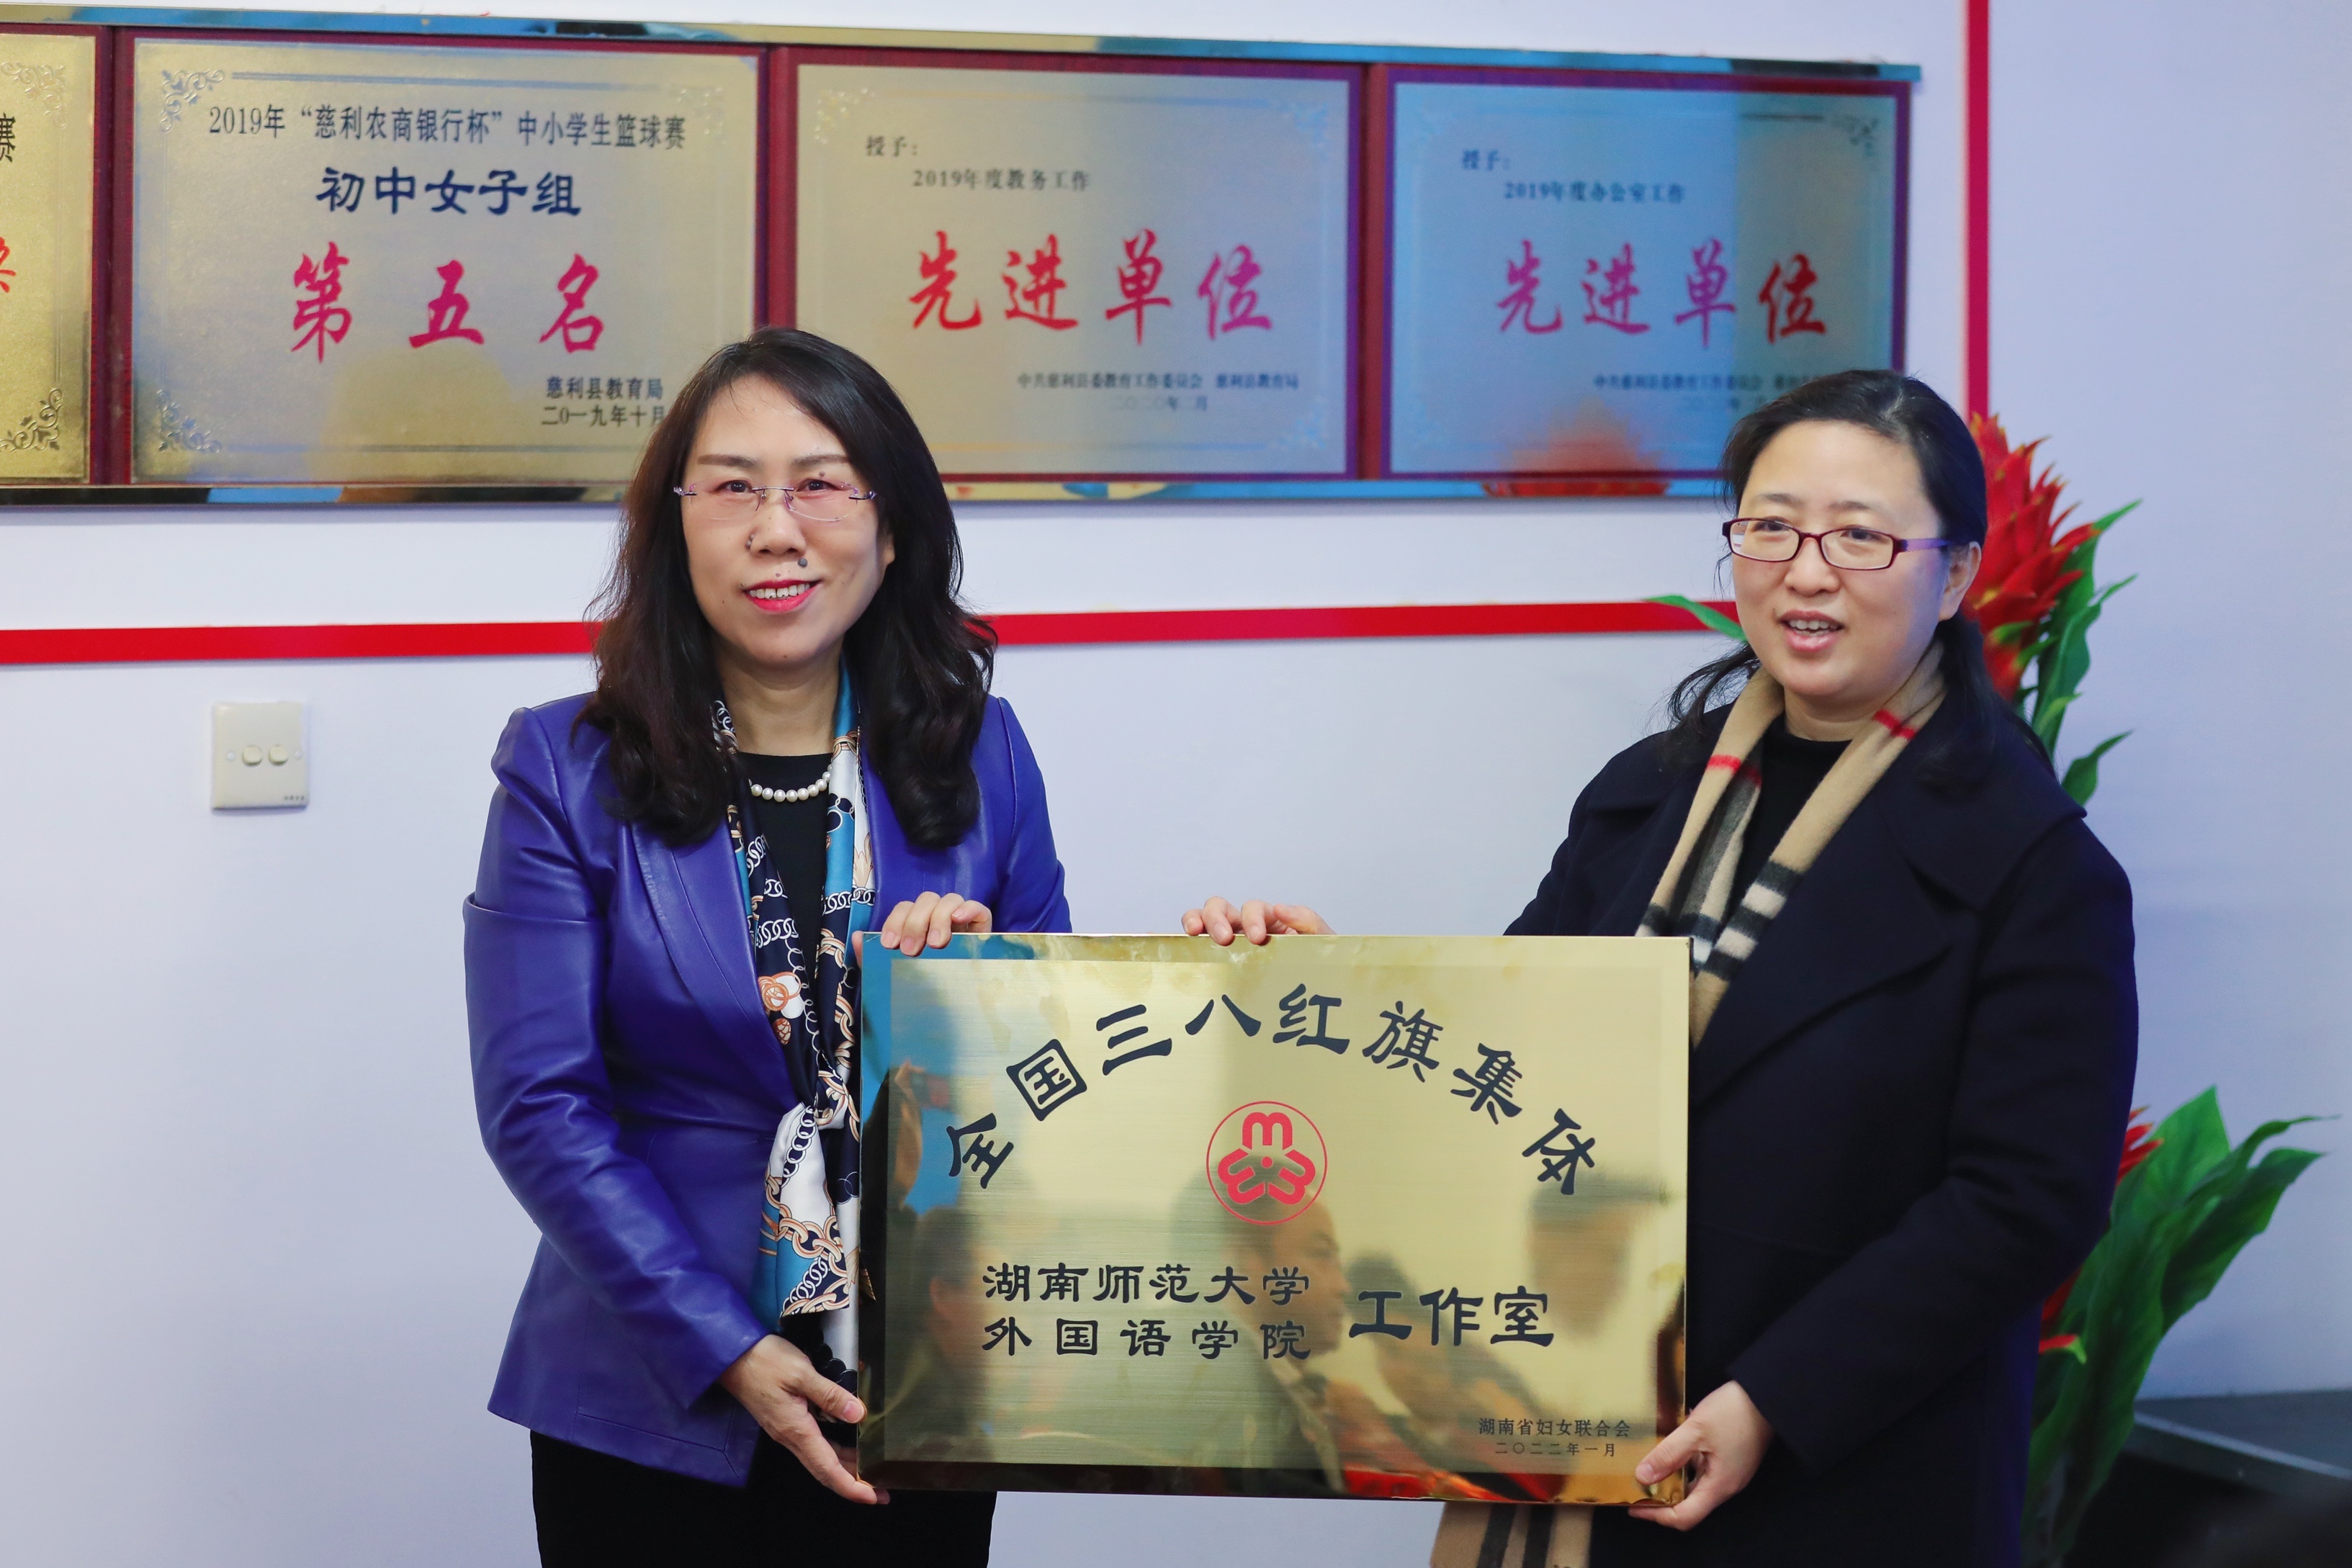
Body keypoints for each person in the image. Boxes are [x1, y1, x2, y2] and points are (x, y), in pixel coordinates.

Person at [1182, 369, 2136, 1567]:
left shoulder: (2031, 864)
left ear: (1951, 576)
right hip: (1579, 1423)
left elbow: (2024, 1202)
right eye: (1771, 526)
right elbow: (1500, 1057)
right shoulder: (1644, 795)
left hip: (1843, 1470)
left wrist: (1775, 1399)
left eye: (1859, 535)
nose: (1806, 571)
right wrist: (1317, 983)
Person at [465, 328, 1070, 1564]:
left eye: (822, 484)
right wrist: (727, 1347)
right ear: (675, 527)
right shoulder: (564, 767)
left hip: (913, 1379)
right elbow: (540, 1105)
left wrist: (985, 990)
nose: (776, 529)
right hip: (658, 1390)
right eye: (733, 487)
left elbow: (1050, 1075)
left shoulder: (983, 753)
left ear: (891, 529)